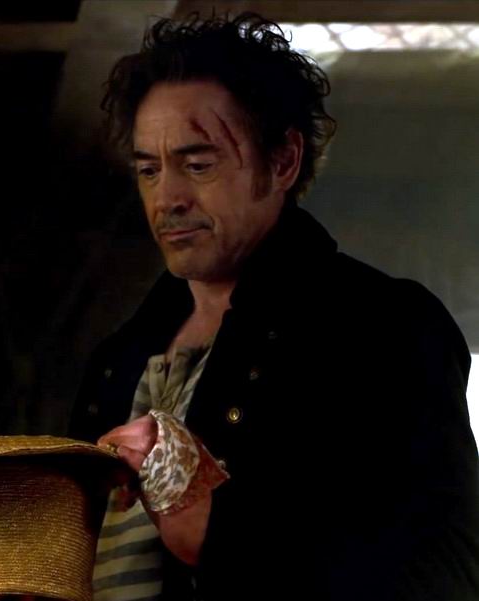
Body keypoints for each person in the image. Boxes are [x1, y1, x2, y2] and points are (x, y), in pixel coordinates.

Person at [70, 13, 479, 601]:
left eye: (198, 164)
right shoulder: (116, 359)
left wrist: (221, 532)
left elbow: (444, 578)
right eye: (149, 170)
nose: (167, 198)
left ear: (283, 160)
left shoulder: (382, 326)